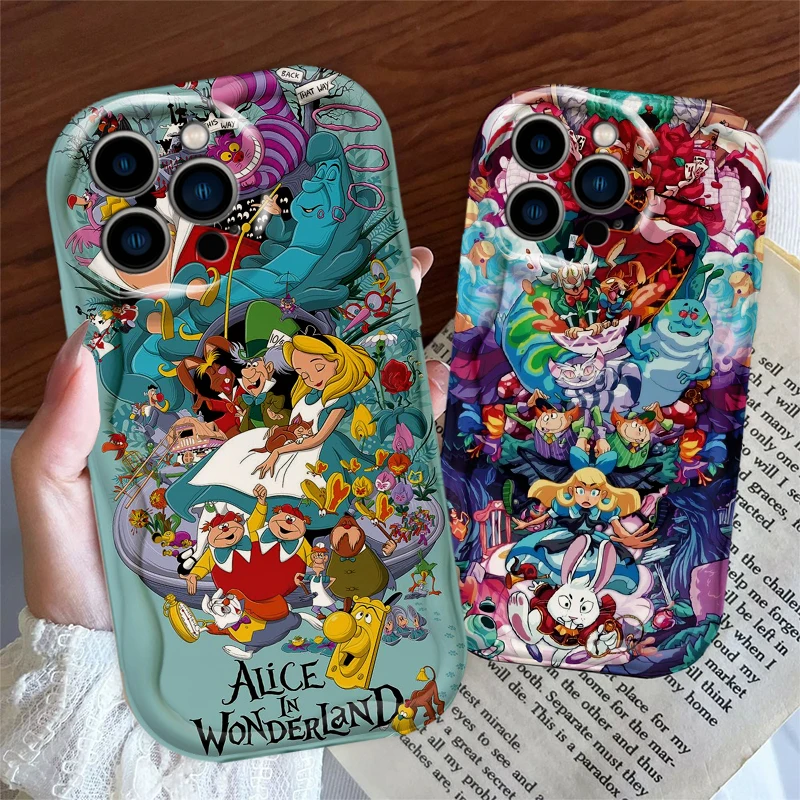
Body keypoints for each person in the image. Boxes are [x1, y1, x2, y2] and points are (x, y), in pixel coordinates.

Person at [2, 250, 440, 798]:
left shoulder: (328, 402)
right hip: (272, 459)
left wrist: (282, 443)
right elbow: (263, 385)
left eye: (318, 366)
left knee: (288, 488)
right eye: (307, 364)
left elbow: (312, 435)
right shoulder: (284, 386)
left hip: (308, 458)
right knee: (226, 473)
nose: (309, 371)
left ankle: (296, 551)